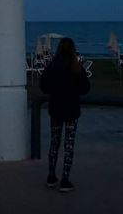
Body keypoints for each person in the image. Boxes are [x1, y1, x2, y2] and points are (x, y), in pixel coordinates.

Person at [39, 37, 91, 193]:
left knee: (54, 143)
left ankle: (51, 176)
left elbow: (44, 86)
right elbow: (85, 88)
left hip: (56, 108)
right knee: (69, 144)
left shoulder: (52, 67)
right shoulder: (77, 68)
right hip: (72, 110)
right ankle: (65, 179)